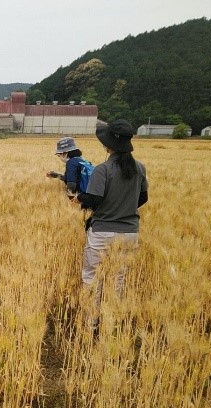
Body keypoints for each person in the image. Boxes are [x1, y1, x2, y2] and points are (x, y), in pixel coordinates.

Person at [74, 119, 148, 327]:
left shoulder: (103, 169)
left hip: (102, 232)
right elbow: (143, 198)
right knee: (118, 279)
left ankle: (91, 323)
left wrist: (80, 198)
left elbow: (94, 200)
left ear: (109, 146)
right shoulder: (140, 168)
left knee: (92, 278)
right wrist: (124, 207)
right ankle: (112, 322)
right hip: (130, 234)